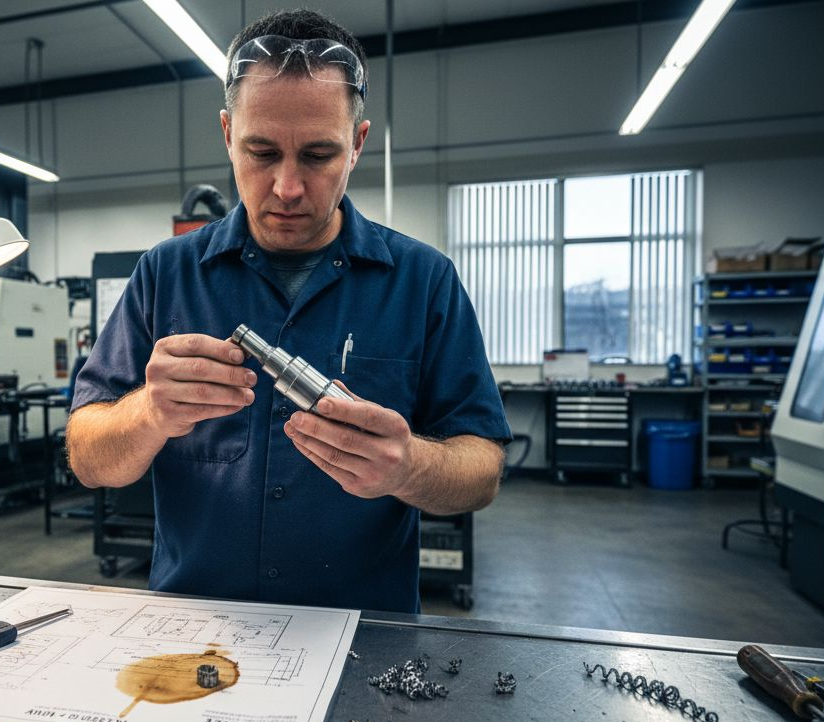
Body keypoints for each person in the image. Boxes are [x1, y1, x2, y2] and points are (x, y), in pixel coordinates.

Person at [67, 9, 510, 613]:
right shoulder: (164, 275)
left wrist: (409, 467)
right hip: (192, 627)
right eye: (261, 151)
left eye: (319, 155)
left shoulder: (424, 281)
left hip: (363, 633)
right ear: (228, 135)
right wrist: (150, 412)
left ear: (357, 144)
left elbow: (481, 468)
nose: (287, 187)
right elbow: (88, 458)